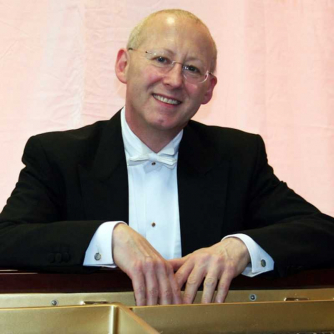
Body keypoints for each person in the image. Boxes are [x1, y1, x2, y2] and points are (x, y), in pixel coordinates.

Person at [0, 9, 333, 307]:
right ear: (123, 65)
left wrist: (239, 248)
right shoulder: (58, 155)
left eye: (192, 68)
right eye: (161, 59)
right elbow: (7, 239)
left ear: (208, 89)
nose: (174, 81)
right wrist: (109, 238)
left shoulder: (238, 157)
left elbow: (322, 232)